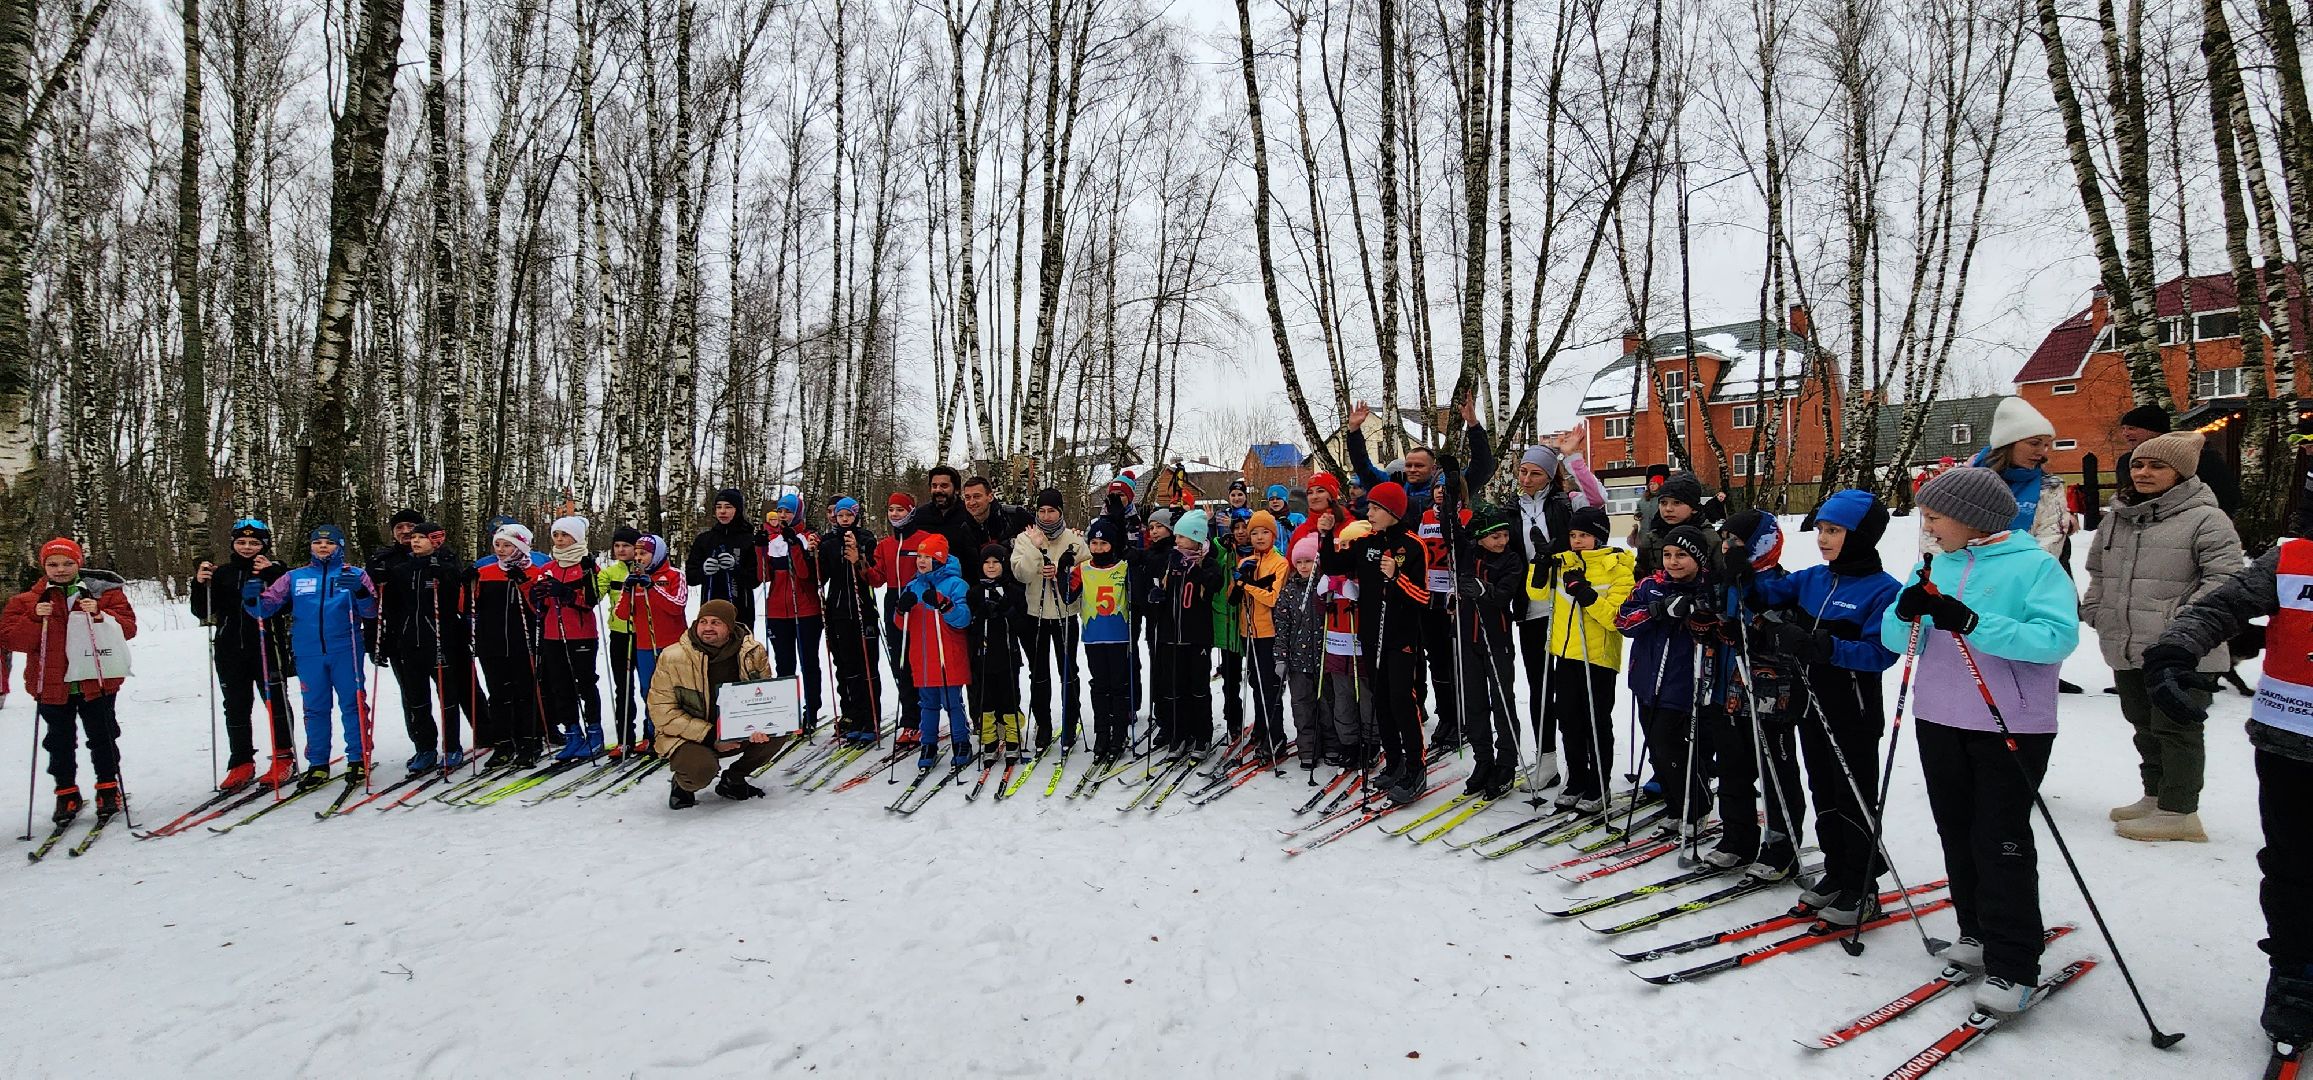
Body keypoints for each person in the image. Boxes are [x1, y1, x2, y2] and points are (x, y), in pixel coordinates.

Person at [1883, 466, 2080, 1017]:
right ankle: (1975, 931)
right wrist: (1906, 612)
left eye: (1936, 517)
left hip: (2009, 723)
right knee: (1956, 829)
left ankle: (2015, 962)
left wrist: (1971, 620)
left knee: (2001, 840)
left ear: (1974, 520)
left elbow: (2056, 639)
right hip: (1939, 718)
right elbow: (1896, 639)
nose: (1927, 527)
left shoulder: (2034, 567)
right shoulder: (1931, 566)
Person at [2140, 531, 2313, 1053]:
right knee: (2294, 869)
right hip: (2293, 743)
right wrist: (2172, 652)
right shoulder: (2295, 557)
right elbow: (2219, 607)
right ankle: (2297, 976)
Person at [1746, 490, 1901, 924]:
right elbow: (1769, 593)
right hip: (1808, 704)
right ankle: (1836, 872)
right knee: (1825, 793)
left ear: (1862, 536)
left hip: (1852, 709)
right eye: (1821, 530)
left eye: (1834, 531)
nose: (1823, 538)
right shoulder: (1813, 578)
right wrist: (1743, 569)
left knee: (1854, 799)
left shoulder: (1883, 590)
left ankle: (1862, 886)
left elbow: (1881, 653)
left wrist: (1823, 646)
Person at [2081, 431, 2240, 842]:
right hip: (2127, 641)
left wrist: (2183, 625)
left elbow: (2225, 580)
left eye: (2157, 465)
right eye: (2138, 464)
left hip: (2183, 650)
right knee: (2143, 724)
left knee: (2177, 728)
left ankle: (2180, 810)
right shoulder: (2119, 516)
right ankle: (2155, 795)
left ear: (2181, 473)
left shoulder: (2206, 518)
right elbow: (2098, 570)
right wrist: (2097, 609)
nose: (2144, 472)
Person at [2, 537, 138, 823]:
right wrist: (34, 618)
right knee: (59, 741)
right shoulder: (27, 600)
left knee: (102, 736)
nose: (61, 570)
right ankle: (66, 793)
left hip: (96, 679)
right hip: (50, 684)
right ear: (43, 566)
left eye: (68, 563)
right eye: (53, 564)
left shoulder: (104, 594)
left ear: (79, 563)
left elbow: (128, 628)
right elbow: (11, 639)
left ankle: (108, 787)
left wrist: (101, 614)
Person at [1320, 482, 1431, 804]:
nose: (1368, 514)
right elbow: (1333, 566)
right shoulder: (1367, 543)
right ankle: (1394, 762)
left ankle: (1415, 767)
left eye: (1374, 508)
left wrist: (1397, 576)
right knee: (1380, 700)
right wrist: (1326, 536)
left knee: (1401, 700)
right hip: (1370, 634)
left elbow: (1423, 598)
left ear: (1392, 511)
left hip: (1400, 637)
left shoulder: (1412, 546)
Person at [247, 525, 378, 788]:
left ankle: (358, 758)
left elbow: (372, 611)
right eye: (317, 543)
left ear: (339, 547)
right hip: (308, 652)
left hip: (346, 648)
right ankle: (318, 763)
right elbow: (266, 607)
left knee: (353, 704)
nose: (322, 547)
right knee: (315, 708)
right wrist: (252, 600)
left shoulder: (355, 574)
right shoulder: (295, 577)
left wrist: (361, 592)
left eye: (329, 544)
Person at [1615, 525, 1723, 835]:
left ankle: (1698, 805)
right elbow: (1622, 621)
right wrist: (1657, 610)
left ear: (1699, 559)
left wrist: (1700, 618)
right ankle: (1676, 805)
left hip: (1683, 684)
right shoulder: (1651, 586)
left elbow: (1718, 633)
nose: (1673, 562)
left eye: (1682, 556)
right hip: (1646, 680)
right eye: (1667, 555)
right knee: (1657, 747)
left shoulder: (1706, 590)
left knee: (1673, 745)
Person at [648, 599, 787, 808]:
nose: (708, 627)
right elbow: (662, 712)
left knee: (777, 729)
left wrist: (762, 723)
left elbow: (764, 696)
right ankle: (683, 785)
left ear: (729, 627)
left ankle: (734, 779)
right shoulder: (672, 657)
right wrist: (711, 736)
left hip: (736, 729)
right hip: (687, 736)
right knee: (701, 769)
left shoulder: (751, 652)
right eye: (703, 621)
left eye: (716, 622)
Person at [191, 518, 295, 789]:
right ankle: (241, 762)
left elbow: (289, 606)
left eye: (254, 542)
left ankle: (284, 757)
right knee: (235, 706)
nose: (247, 547)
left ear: (265, 545)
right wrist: (199, 584)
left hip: (266, 645)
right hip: (229, 648)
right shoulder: (223, 572)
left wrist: (271, 575)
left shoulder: (277, 569)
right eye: (241, 542)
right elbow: (203, 611)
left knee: (275, 702)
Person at [370, 521, 478, 773]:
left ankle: (452, 746)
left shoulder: (447, 567)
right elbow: (391, 608)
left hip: (439, 640)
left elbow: (457, 601)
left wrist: (448, 576)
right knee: (416, 699)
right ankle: (425, 747)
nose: (415, 541)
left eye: (422, 538)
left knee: (447, 698)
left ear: (435, 541)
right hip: (409, 642)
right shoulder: (401, 570)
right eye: (414, 537)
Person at [1544, 507, 1632, 812]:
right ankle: (1577, 779)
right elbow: (1537, 594)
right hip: (1566, 653)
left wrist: (1586, 593)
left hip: (1598, 658)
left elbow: (1615, 619)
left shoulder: (1617, 567)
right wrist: (1540, 565)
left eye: (1584, 535)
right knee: (1568, 719)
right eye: (1573, 535)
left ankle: (1599, 784)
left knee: (1595, 722)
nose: (1577, 541)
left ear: (1599, 537)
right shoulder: (1564, 564)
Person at [1449, 506, 1526, 800]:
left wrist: (1482, 589)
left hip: (1497, 640)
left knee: (1502, 702)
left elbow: (1504, 594)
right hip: (1468, 639)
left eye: (1505, 535)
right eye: (1495, 536)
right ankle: (1483, 760)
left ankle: (1506, 762)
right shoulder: (1468, 553)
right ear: (1480, 537)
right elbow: (1452, 533)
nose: (1502, 540)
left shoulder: (1511, 560)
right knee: (1474, 704)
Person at [1011, 488, 1089, 751]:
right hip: (1036, 614)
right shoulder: (1026, 537)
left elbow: (1088, 568)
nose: (1046, 516)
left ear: (1060, 512)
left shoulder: (1073, 538)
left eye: (1051, 510)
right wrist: (1035, 550)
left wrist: (1064, 571)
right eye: (1042, 510)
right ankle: (1043, 724)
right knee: (1039, 673)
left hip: (1066, 614)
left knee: (1068, 670)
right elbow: (1020, 573)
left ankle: (1069, 722)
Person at [1144, 508, 1223, 757]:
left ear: (1196, 537)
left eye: (1182, 537)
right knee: (1175, 689)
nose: (1176, 541)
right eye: (1176, 536)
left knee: (1198, 689)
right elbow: (1162, 591)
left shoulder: (1208, 562)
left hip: (1196, 637)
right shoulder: (1172, 561)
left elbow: (1214, 585)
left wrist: (1195, 569)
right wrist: (1157, 598)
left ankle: (1202, 735)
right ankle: (1180, 734)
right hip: (1170, 636)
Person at [1342, 394, 1498, 520]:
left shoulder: (1451, 486)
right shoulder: (1394, 485)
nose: (1412, 470)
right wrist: (1354, 431)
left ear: (1433, 468)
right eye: (1408, 465)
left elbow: (1482, 467)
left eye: (1419, 466)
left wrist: (1473, 425)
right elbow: (1363, 468)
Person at [895, 533, 974, 769]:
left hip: (947, 655)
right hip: (923, 656)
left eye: (927, 557)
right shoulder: (913, 585)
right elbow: (901, 625)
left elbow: (963, 619)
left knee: (952, 702)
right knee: (927, 703)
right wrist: (901, 609)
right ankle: (928, 742)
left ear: (939, 558)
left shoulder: (956, 584)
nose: (921, 561)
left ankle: (962, 741)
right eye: (919, 556)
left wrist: (944, 604)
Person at [471, 523, 548, 766]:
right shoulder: (486, 572)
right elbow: (468, 607)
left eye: (508, 545)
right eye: (498, 545)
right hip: (492, 643)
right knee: (498, 694)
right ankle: (503, 743)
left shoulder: (536, 572)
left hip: (522, 642)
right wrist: (466, 585)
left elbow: (540, 609)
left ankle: (530, 740)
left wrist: (524, 583)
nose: (501, 550)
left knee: (526, 693)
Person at [533, 515, 604, 760]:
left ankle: (595, 731)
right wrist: (537, 595)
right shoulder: (548, 568)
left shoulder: (587, 566)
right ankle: (573, 732)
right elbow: (537, 606)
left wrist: (566, 593)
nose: (560, 540)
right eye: (556, 535)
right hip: (553, 634)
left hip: (581, 633)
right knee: (560, 686)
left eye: (565, 535)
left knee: (585, 683)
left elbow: (592, 599)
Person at [1968, 396, 2073, 557]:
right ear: (2008, 443)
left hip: (2026, 576)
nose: (2042, 451)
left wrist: (2012, 573)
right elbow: (1938, 534)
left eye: (2046, 445)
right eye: (2034, 443)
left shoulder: (2049, 488)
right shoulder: (1966, 482)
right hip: (1968, 575)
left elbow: (2050, 541)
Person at [612, 534, 686, 756]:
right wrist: (627, 590)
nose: (639, 558)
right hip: (644, 644)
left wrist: (653, 587)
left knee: (674, 690)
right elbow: (622, 614)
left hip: (673, 644)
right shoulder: (633, 579)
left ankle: (677, 732)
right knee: (649, 691)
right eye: (636, 554)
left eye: (643, 553)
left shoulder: (674, 575)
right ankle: (652, 734)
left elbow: (677, 606)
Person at [817, 497, 883, 743]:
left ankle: (871, 718)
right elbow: (821, 574)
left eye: (848, 515)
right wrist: (812, 554)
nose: (843, 520)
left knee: (867, 666)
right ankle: (854, 717)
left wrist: (859, 557)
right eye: (839, 515)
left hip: (862, 608)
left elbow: (872, 572)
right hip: (838, 609)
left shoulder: (865, 538)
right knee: (848, 668)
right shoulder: (829, 542)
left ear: (856, 515)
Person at [760, 493, 825, 729]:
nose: (783, 515)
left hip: (805, 609)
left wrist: (795, 544)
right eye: (780, 511)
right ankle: (787, 710)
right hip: (777, 610)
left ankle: (812, 709)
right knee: (784, 664)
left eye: (788, 511)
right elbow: (762, 576)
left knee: (808, 661)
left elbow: (807, 575)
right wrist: (760, 549)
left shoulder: (809, 537)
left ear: (797, 513)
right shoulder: (773, 539)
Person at [1235, 509, 1292, 763]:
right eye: (1254, 532)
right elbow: (1233, 598)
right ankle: (1261, 726)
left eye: (1264, 532)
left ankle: (1276, 735)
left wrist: (1246, 584)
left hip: (1268, 631)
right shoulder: (1246, 560)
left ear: (1273, 535)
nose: (1258, 537)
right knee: (1255, 683)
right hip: (1247, 630)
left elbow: (1273, 598)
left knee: (1270, 685)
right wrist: (1239, 581)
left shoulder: (1279, 563)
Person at [1077, 516, 1136, 763]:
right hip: (1093, 638)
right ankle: (1102, 733)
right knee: (1099, 686)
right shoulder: (1082, 568)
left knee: (1119, 686)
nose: (1099, 548)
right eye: (1094, 543)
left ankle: (1119, 733)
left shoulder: (1123, 567)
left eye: (1104, 544)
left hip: (1119, 637)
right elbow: (1068, 595)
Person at [2116, 402, 2240, 514]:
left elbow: (2225, 495)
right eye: (2123, 429)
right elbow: (2125, 498)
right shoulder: (2125, 461)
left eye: (2132, 428)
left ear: (2154, 430)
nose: (2125, 433)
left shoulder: (2200, 458)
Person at [874, 493, 928, 745]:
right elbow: (877, 578)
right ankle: (910, 720)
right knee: (900, 662)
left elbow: (936, 566)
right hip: (893, 600)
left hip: (918, 601)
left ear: (910, 511)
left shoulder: (923, 539)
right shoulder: (885, 544)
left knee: (920, 660)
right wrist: (858, 562)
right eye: (891, 510)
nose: (895, 514)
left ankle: (926, 715)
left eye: (900, 510)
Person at [967, 544, 1027, 765]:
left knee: (1009, 696)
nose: (991, 567)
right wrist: (979, 615)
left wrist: (1006, 609)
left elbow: (1023, 624)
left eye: (995, 562)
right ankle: (989, 740)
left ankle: (1012, 738)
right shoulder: (974, 591)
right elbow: (969, 624)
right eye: (987, 563)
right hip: (983, 655)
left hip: (1007, 653)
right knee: (986, 698)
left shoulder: (1012, 590)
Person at [1275, 534, 1328, 774]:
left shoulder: (1325, 589)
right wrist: (1281, 657)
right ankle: (1308, 749)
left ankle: (1332, 745)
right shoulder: (1289, 592)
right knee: (1302, 706)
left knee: (1327, 704)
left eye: (1309, 561)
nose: (1304, 566)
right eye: (1300, 562)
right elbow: (1282, 627)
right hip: (1298, 661)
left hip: (1324, 659)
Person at [596, 526, 645, 754]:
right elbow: (594, 596)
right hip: (620, 634)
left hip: (644, 635)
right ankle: (625, 737)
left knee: (651, 688)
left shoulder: (647, 569)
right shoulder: (609, 572)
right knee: (623, 689)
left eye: (626, 545)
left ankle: (652, 735)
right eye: (617, 546)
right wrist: (589, 577)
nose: (621, 550)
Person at [687, 488, 761, 626]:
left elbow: (755, 580)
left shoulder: (749, 540)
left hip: (741, 613)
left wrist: (735, 568)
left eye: (728, 507)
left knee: (741, 646)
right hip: (710, 610)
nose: (722, 511)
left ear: (737, 510)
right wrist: (703, 571)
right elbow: (691, 577)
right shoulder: (704, 540)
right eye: (718, 507)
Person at [1633, 470, 1706, 578]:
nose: (1668, 509)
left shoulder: (1708, 537)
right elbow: (1640, 575)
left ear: (1694, 507)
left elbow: (1719, 576)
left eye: (1677, 503)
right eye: (1663, 503)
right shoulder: (1651, 539)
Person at [959, 474, 1031, 554]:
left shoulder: (1014, 515)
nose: (972, 502)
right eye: (967, 497)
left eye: (977, 496)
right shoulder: (964, 528)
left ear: (990, 497)